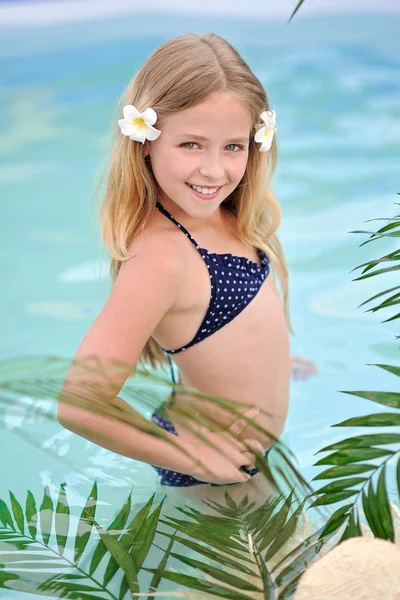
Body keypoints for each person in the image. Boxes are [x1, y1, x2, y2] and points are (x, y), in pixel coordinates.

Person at [57, 32, 317, 493]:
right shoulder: (162, 256)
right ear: (145, 142)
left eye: (232, 146)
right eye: (191, 145)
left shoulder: (224, 213)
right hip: (213, 476)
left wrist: (271, 361)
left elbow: (222, 319)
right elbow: (79, 402)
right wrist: (192, 458)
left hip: (242, 455)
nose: (214, 170)